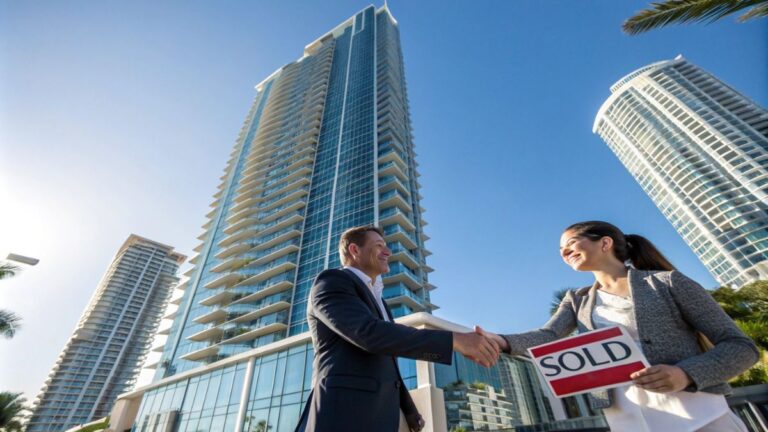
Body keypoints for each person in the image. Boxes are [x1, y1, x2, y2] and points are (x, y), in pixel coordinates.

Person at [478, 221, 759, 432]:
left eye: (571, 242)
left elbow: (741, 347)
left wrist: (685, 373)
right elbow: (548, 335)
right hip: (627, 420)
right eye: (560, 250)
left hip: (701, 415)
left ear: (605, 243)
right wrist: (500, 340)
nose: (564, 251)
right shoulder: (577, 300)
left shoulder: (667, 282)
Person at [296, 226, 500, 432]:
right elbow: (369, 334)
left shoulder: (381, 302)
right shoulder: (331, 281)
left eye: (386, 246)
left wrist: (409, 410)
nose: (388, 252)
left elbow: (388, 361)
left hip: (380, 418)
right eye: (379, 246)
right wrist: (454, 340)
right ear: (355, 250)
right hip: (342, 416)